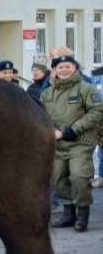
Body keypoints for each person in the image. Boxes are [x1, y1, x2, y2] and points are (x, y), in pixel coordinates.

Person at [42, 55, 103, 232]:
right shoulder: (47, 93)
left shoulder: (86, 88)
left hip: (80, 143)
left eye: (68, 66)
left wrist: (73, 130)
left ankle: (83, 214)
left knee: (78, 177)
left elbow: (97, 111)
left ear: (75, 68)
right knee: (57, 179)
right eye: (60, 67)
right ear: (55, 70)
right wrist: (50, 130)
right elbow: (41, 115)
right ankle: (69, 213)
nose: (64, 70)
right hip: (57, 144)